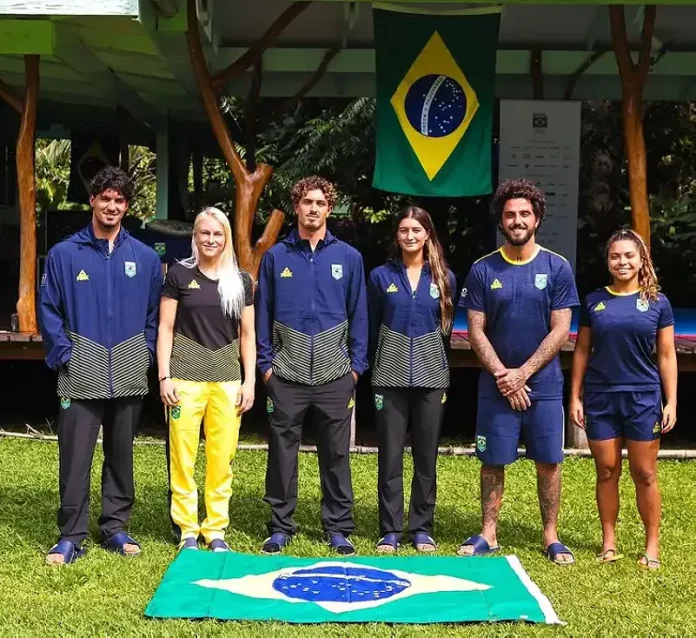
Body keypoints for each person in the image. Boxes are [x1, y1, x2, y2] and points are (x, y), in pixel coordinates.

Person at [39, 166, 162, 565]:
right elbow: (49, 310)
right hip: (80, 371)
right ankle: (71, 534)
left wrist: (143, 352)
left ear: (127, 206)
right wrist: (65, 355)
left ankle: (115, 526)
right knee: (75, 456)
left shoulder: (143, 257)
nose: (112, 206)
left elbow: (153, 315)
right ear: (92, 200)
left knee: (121, 452)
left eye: (119, 200)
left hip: (127, 370)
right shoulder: (63, 254)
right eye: (105, 198)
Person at [458, 178, 579, 564]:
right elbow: (475, 329)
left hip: (542, 384)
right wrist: (504, 377)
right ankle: (488, 533)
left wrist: (522, 374)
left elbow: (561, 328)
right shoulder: (482, 269)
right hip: (496, 385)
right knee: (492, 461)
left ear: (537, 218)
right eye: (510, 214)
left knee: (548, 461)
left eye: (524, 213)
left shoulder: (556, 267)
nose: (517, 220)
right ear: (501, 221)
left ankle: (550, 536)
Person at [255, 176, 368, 555]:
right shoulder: (276, 257)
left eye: (320, 202)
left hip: (336, 375)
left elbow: (360, 315)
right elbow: (263, 314)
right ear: (296, 207)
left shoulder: (349, 258)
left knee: (336, 454)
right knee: (282, 452)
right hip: (285, 374)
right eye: (307, 202)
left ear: (329, 208)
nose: (314, 209)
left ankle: (338, 527)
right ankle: (280, 526)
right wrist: (266, 366)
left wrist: (355, 369)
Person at [569, 229, 677, 570]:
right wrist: (575, 396)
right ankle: (609, 542)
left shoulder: (658, 302)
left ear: (641, 259)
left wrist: (670, 401)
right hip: (601, 398)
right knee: (606, 471)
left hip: (643, 397)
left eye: (629, 255)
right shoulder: (594, 301)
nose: (622, 262)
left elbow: (666, 355)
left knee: (644, 472)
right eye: (615, 256)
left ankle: (652, 546)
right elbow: (582, 350)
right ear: (608, 262)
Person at [157, 208, 255, 552]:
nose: (211, 240)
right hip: (184, 380)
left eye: (217, 234)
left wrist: (250, 381)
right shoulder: (179, 276)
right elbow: (165, 328)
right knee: (182, 458)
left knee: (221, 458)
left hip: (227, 382)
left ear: (226, 238)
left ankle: (215, 530)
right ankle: (187, 529)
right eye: (204, 234)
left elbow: (247, 335)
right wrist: (164, 376)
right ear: (194, 237)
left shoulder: (241, 281)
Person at [367, 206, 457, 554]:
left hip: (431, 378)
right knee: (389, 455)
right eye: (403, 230)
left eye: (416, 230)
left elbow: (445, 333)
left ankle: (421, 527)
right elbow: (371, 326)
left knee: (426, 456)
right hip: (388, 377)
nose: (409, 236)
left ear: (427, 234)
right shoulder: (380, 277)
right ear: (397, 236)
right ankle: (390, 529)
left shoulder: (445, 278)